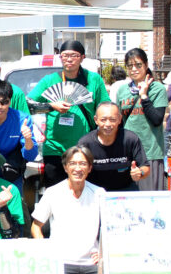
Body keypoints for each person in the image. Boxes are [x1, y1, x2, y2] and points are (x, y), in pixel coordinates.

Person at [29, 145, 114, 274]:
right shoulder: (53, 192)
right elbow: (36, 226)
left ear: (89, 168)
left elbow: (112, 227)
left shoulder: (99, 193)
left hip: (91, 260)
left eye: (83, 164)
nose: (78, 168)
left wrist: (104, 250)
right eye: (73, 163)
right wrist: (46, 252)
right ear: (65, 167)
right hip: (62, 260)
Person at [27, 40, 110, 187]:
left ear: (82, 57)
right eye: (65, 56)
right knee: (55, 191)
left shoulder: (93, 79)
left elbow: (105, 106)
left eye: (74, 55)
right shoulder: (49, 80)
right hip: (54, 147)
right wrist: (51, 106)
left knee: (83, 190)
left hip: (84, 146)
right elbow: (28, 104)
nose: (69, 59)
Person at [116, 48, 167, 191]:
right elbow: (121, 122)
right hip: (128, 152)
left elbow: (157, 119)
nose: (134, 69)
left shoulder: (157, 89)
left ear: (146, 65)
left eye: (138, 65)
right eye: (130, 66)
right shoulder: (122, 90)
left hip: (150, 152)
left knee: (149, 198)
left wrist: (144, 96)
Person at [77, 102, 149, 191]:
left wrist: (140, 173)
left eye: (112, 119)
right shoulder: (85, 143)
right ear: (96, 120)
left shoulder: (130, 139)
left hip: (125, 189)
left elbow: (145, 167)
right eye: (103, 120)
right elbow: (77, 167)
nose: (108, 124)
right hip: (93, 191)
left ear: (119, 119)